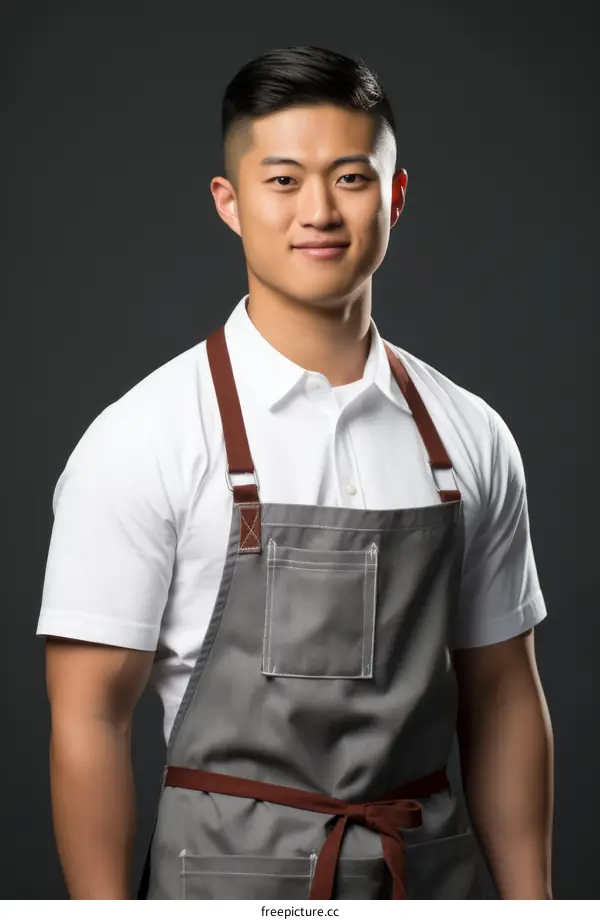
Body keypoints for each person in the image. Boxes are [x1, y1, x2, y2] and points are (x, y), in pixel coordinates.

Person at [37, 45, 554, 900]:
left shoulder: (474, 435)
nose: (318, 210)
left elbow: (502, 697)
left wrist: (538, 911)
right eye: (283, 181)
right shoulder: (144, 437)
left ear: (394, 196)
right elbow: (88, 717)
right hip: (222, 887)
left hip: (427, 879)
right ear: (230, 204)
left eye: (350, 178)